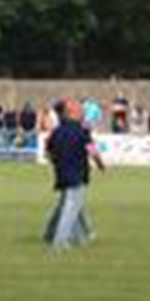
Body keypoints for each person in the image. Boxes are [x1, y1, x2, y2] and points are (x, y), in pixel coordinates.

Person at [42, 99, 104, 251]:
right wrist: (101, 165)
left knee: (66, 204)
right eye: (77, 109)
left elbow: (48, 150)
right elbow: (92, 151)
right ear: (70, 113)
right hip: (77, 174)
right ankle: (60, 242)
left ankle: (51, 234)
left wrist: (56, 161)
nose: (81, 111)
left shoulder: (57, 132)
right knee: (71, 207)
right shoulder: (82, 132)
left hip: (62, 173)